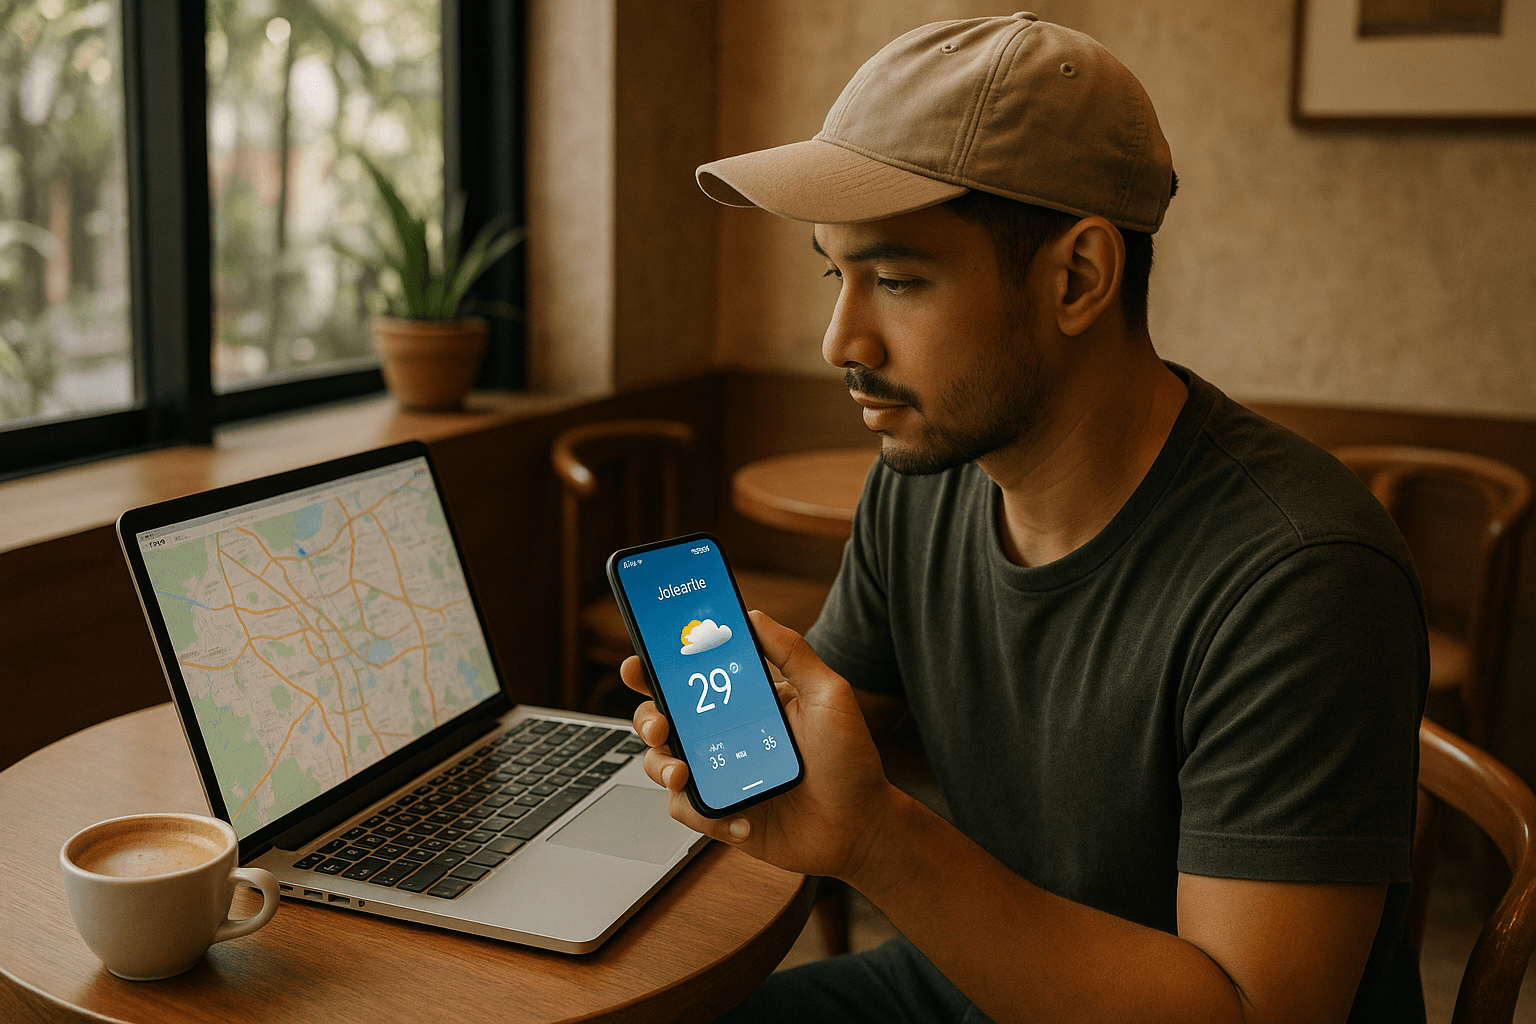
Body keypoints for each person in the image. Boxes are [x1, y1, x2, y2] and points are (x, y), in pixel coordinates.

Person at [621, 14, 1429, 1023]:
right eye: (836, 273)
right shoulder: (920, 482)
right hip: (972, 983)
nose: (839, 339)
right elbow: (812, 753)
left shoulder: (1302, 573)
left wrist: (876, 837)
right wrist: (730, 754)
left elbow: (1251, 1012)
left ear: (1079, 278)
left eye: (899, 280)